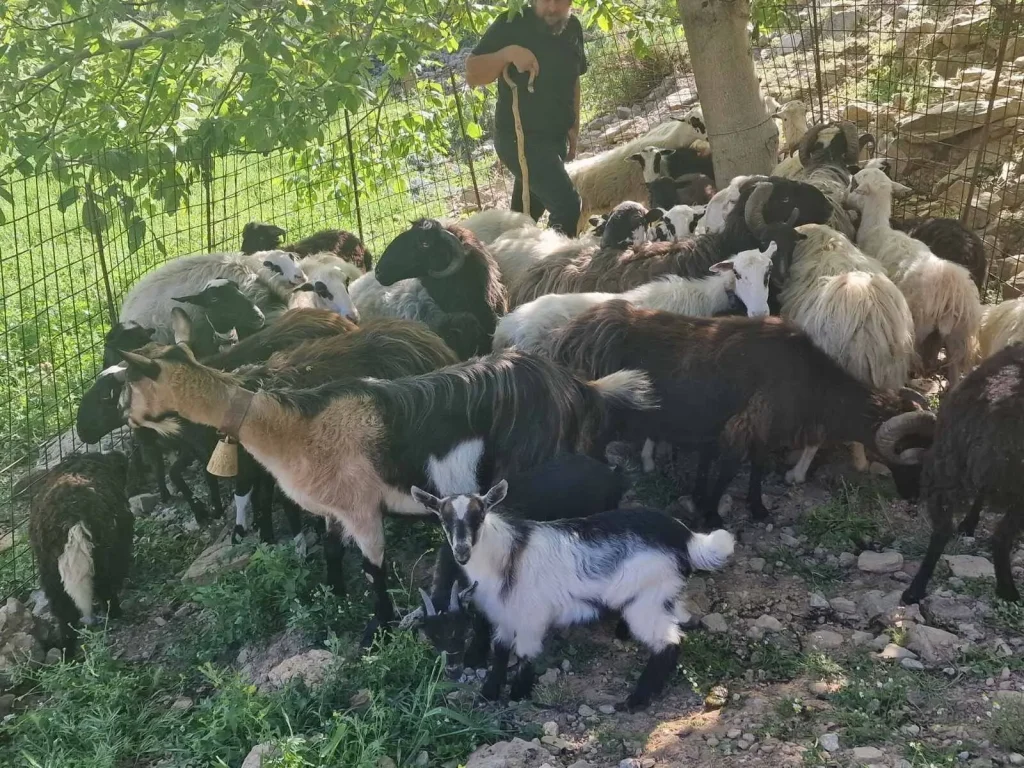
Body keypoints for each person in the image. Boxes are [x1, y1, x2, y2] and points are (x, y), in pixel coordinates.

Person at [465, 0, 587, 236]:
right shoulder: (511, 23)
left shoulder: (573, 28)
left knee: (523, 216)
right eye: (545, 1)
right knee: (567, 206)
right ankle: (554, 268)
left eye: (560, 1)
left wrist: (574, 126)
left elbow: (574, 79)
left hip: (555, 139)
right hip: (521, 140)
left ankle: (505, 262)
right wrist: (508, 53)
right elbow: (472, 73)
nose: (552, 8)